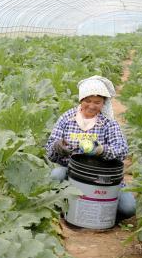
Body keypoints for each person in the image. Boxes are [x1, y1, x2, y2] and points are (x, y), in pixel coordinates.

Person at [45, 75, 135, 219]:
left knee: (129, 208)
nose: (92, 106)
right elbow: (50, 151)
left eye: (97, 102)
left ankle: (103, 212)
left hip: (104, 178)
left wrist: (101, 150)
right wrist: (57, 147)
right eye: (88, 101)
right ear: (81, 99)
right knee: (56, 175)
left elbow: (122, 150)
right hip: (72, 173)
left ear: (104, 103)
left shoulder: (108, 123)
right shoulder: (67, 119)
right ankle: (61, 207)